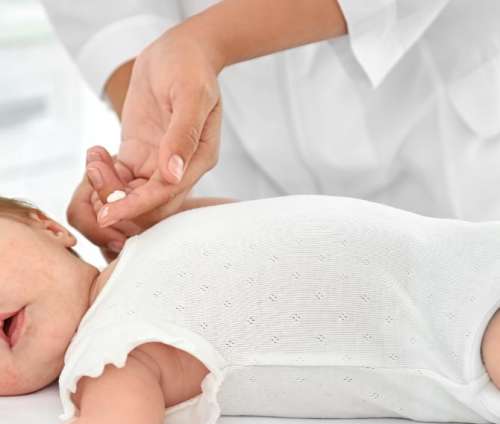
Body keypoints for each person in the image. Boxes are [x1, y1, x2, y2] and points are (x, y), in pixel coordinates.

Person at [1, 179, 500, 424]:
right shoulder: (111, 349)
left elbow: (254, 223)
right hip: (457, 330)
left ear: (49, 227)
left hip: (470, 247)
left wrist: (158, 209)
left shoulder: (146, 243)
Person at [41, 0, 500, 260]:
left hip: (451, 148)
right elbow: (104, 16)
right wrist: (153, 139)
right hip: (239, 165)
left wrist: (209, 40)